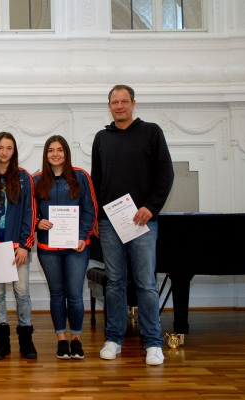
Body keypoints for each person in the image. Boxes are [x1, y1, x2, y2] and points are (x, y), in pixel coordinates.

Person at [91, 84, 174, 366]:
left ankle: (153, 342)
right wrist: (95, 217)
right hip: (110, 224)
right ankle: (114, 338)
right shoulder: (102, 137)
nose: (119, 106)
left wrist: (150, 207)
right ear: (109, 105)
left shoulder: (151, 132)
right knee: (114, 283)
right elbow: (96, 181)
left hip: (142, 222)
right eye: (114, 102)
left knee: (146, 284)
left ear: (133, 104)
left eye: (124, 101)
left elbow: (166, 173)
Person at [33, 135, 97, 360]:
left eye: (59, 150)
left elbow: (90, 209)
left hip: (76, 247)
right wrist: (37, 222)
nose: (55, 154)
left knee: (75, 294)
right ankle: (61, 340)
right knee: (57, 294)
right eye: (51, 150)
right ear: (46, 154)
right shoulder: (37, 179)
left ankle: (76, 340)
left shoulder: (80, 176)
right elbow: (29, 212)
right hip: (47, 247)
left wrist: (82, 236)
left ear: (66, 153)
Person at [0, 131, 37, 360]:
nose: (4, 152)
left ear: (14, 151)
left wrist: (25, 245)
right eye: (0, 148)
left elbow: (30, 212)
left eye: (9, 148)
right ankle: (2, 341)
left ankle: (26, 338)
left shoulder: (24, 177)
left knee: (22, 292)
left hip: (16, 248)